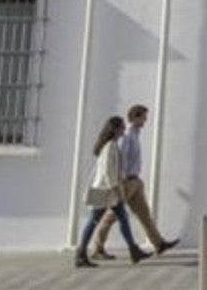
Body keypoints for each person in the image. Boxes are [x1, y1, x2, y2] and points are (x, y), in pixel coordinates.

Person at [88, 104, 178, 259]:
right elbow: (120, 159)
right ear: (135, 117)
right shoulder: (128, 135)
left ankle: (159, 243)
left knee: (144, 214)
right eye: (143, 117)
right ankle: (97, 247)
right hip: (127, 182)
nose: (145, 120)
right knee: (112, 216)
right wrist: (122, 182)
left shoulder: (135, 134)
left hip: (135, 181)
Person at [76, 116, 151, 267]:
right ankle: (81, 253)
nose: (124, 129)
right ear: (115, 129)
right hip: (107, 192)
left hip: (107, 190)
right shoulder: (111, 146)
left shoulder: (110, 145)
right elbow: (109, 173)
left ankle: (133, 250)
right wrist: (118, 192)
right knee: (95, 222)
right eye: (122, 127)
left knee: (121, 219)